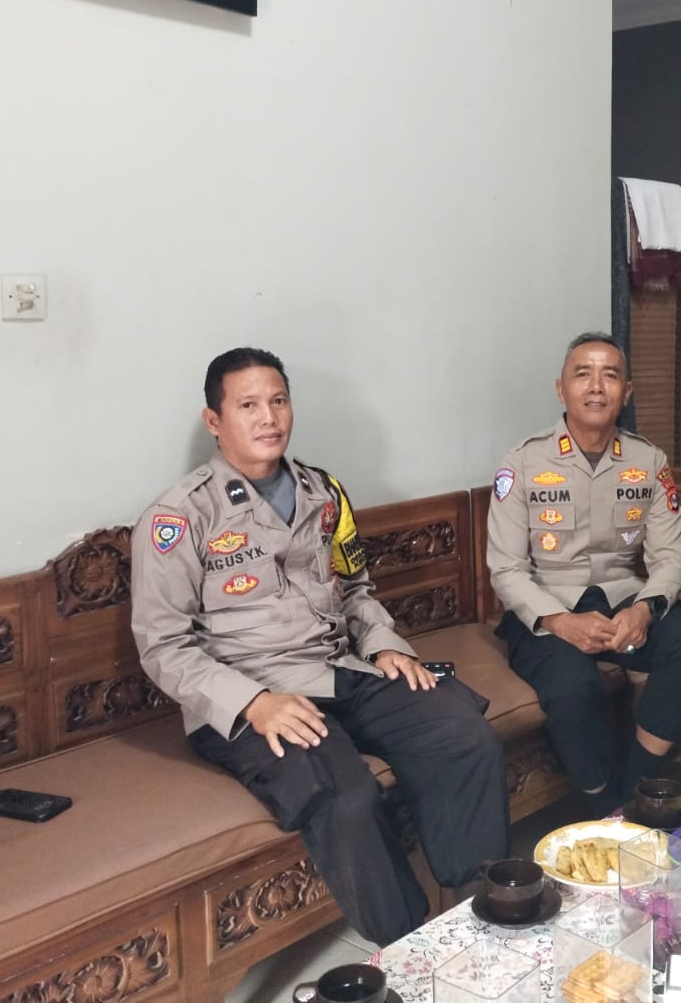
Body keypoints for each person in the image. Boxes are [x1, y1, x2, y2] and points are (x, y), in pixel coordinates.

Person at [131, 347, 508, 946]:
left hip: (338, 669)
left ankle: (478, 911)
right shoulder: (179, 517)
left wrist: (385, 645)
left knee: (461, 732)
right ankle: (410, 950)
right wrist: (254, 703)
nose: (268, 417)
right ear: (214, 421)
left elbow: (355, 587)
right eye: (248, 405)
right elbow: (163, 646)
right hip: (250, 697)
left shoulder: (322, 491)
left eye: (278, 401)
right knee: (345, 794)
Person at [487, 331, 681, 813]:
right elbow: (506, 568)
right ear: (561, 389)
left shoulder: (648, 461)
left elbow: (670, 557)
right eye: (582, 374)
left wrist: (646, 609)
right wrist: (560, 622)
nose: (596, 386)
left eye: (609, 376)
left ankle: (634, 787)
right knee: (573, 685)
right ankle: (602, 803)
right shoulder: (523, 462)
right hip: (547, 606)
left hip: (623, 599)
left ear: (626, 392)